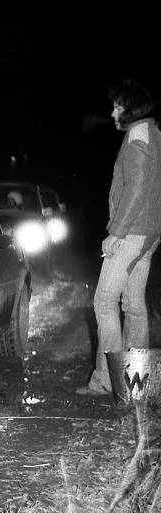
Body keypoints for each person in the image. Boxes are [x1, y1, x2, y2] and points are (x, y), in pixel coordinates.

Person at [76, 79, 161, 396]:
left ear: (130, 109)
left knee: (104, 300)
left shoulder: (137, 136)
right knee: (135, 305)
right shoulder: (155, 133)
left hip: (132, 233)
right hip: (150, 233)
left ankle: (108, 380)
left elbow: (136, 189)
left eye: (117, 106)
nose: (112, 112)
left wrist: (116, 233)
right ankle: (135, 384)